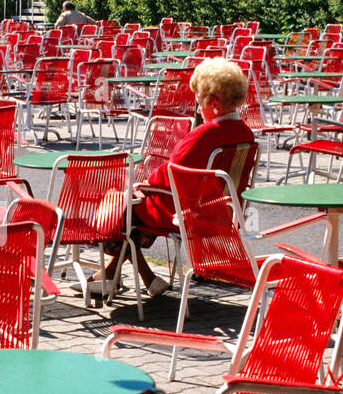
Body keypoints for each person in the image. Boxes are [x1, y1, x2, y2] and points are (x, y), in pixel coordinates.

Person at [95, 57, 256, 297]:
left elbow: (172, 174)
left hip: (183, 212)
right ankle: (123, 277)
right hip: (220, 211)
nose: (198, 107)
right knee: (130, 204)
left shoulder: (205, 135)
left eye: (199, 101)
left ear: (213, 103)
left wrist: (144, 185)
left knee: (119, 207)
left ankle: (132, 277)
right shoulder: (245, 133)